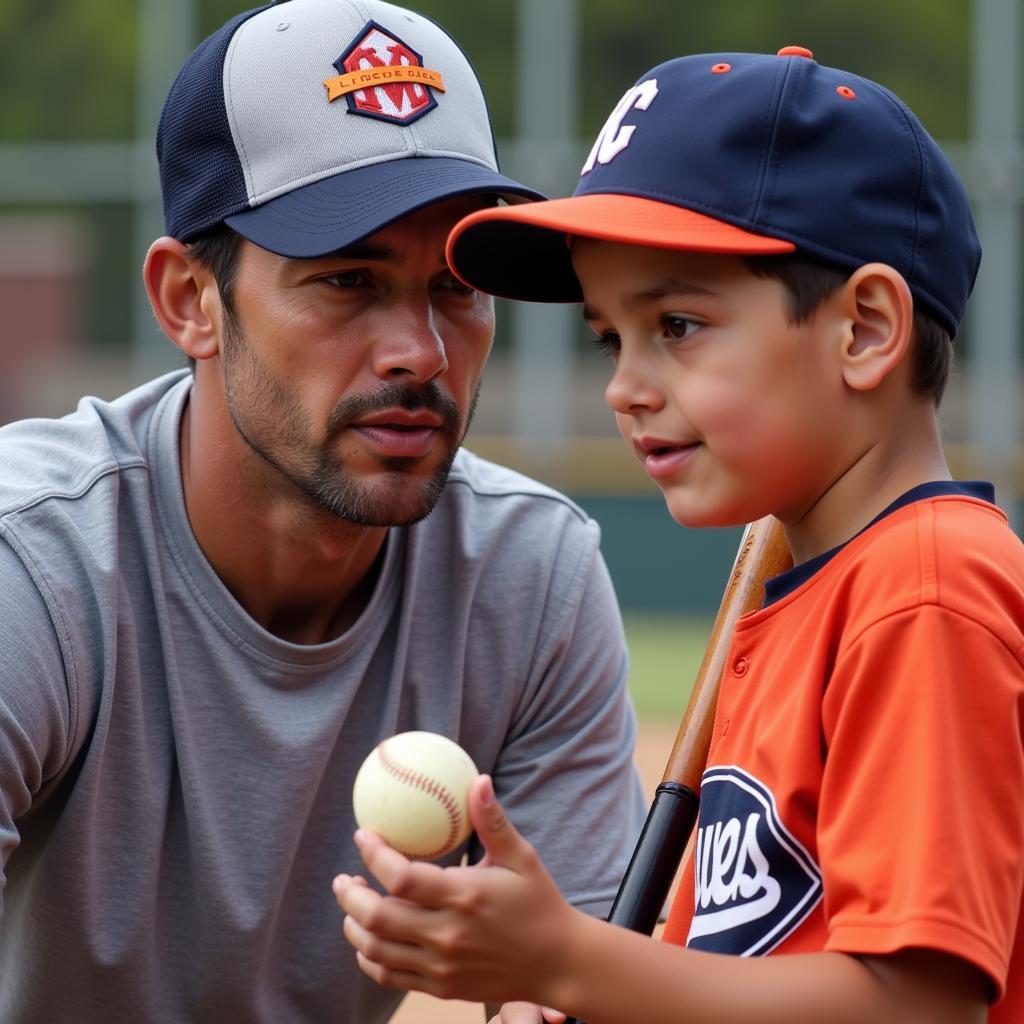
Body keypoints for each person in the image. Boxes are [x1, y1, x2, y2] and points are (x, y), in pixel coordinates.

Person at [334, 45, 1024, 1024]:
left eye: (679, 325)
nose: (626, 386)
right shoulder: (808, 582)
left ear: (865, 328)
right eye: (611, 337)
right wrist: (591, 989)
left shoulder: (926, 585)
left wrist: (573, 960)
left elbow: (914, 1003)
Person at [0, 1, 648, 1021]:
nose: (421, 352)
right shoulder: (33, 561)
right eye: (347, 280)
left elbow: (572, 997)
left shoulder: (528, 573)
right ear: (187, 301)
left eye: (455, 289)